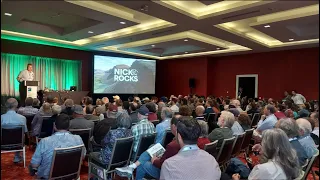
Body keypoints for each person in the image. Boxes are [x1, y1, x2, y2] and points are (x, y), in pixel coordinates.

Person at [116, 115, 182, 179]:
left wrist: (154, 160)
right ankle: (133, 166)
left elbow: (161, 163)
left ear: (173, 126)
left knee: (142, 164)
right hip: (173, 165)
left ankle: (133, 166)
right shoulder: (179, 139)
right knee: (152, 146)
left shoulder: (173, 145)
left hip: (166, 171)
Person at [29, 114, 85, 179]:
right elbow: (82, 156)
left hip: (48, 177)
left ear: (54, 126)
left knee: (32, 167)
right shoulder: (78, 139)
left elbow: (34, 164)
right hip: (71, 175)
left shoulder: (45, 141)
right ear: (69, 126)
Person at [233, 128, 301, 180]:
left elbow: (267, 169)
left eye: (262, 143)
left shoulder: (262, 169)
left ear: (267, 146)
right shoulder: (292, 158)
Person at [1, 98, 28, 163]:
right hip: (18, 143)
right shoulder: (22, 118)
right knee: (21, 135)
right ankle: (17, 156)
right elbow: (25, 132)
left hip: (3, 143)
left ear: (6, 105)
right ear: (16, 105)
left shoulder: (1, 118)